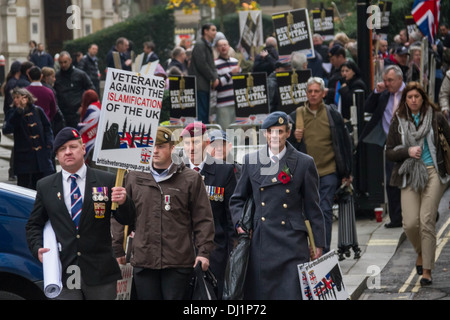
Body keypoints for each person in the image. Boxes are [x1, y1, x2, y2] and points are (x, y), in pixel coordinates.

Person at [25, 127, 135, 299]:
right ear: (56, 155)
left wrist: (123, 202)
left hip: (100, 272)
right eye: (62, 149)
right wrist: (37, 247)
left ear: (83, 149)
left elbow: (127, 219)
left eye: (73, 146)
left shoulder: (106, 180)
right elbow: (34, 224)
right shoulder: (45, 186)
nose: (68, 152)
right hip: (65, 271)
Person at [229, 111, 325, 300]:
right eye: (271, 131)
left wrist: (319, 244)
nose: (275, 136)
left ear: (288, 133)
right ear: (265, 134)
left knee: (291, 293)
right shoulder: (251, 161)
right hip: (261, 241)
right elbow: (237, 199)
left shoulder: (304, 163)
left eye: (280, 132)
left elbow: (313, 207)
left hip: (292, 242)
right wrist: (240, 225)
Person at [119, 126, 215, 300]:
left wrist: (203, 252)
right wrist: (117, 246)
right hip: (144, 259)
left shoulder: (190, 178)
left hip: (178, 261)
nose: (155, 151)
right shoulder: (134, 176)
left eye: (161, 146)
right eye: (151, 146)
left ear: (172, 148)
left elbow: (203, 219)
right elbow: (121, 216)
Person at [385, 82, 450, 286]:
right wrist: (407, 151)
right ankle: (422, 251)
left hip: (433, 173)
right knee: (411, 223)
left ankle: (427, 270)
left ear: (423, 98)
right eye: (409, 97)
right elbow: (389, 152)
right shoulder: (398, 120)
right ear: (405, 100)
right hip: (409, 174)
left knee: (427, 219)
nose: (413, 100)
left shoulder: (437, 117)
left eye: (417, 97)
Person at [288, 77, 353, 253]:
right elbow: (286, 145)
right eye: (310, 91)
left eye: (317, 91)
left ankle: (323, 252)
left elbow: (344, 143)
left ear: (323, 93)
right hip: (306, 174)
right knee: (308, 212)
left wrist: (347, 171)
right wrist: (294, 136)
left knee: (324, 209)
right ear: (306, 93)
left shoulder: (332, 114)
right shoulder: (296, 116)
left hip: (329, 171)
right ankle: (310, 249)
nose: (313, 94)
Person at [180, 122, 237, 299]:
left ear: (206, 143)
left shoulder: (224, 170)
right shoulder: (176, 171)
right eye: (187, 143)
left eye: (195, 142)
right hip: (180, 251)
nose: (191, 148)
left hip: (215, 252)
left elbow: (230, 215)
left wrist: (231, 252)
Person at [359, 65, 405, 228]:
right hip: (391, 145)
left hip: (409, 144)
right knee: (392, 182)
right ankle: (396, 218)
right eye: (385, 80)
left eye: (390, 80)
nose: (387, 84)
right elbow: (367, 108)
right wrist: (376, 92)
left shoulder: (411, 93)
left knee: (412, 181)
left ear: (400, 79)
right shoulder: (384, 94)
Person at [2, 87, 55, 189]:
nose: (16, 100)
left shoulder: (37, 110)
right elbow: (7, 129)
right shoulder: (13, 113)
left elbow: (47, 128)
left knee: (40, 186)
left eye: (18, 97)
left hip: (40, 157)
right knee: (24, 186)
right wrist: (19, 111)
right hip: (24, 158)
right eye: (14, 98)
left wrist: (49, 145)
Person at [54, 51, 95, 128]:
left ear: (70, 60)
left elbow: (91, 90)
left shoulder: (80, 75)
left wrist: (83, 106)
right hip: (62, 114)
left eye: (65, 62)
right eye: (61, 63)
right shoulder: (56, 76)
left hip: (77, 114)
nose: (63, 65)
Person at [189, 23, 219, 124]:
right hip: (200, 85)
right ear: (206, 31)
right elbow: (202, 64)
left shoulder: (205, 44)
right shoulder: (200, 45)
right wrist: (213, 78)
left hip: (203, 84)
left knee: (205, 113)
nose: (215, 32)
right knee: (202, 113)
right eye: (213, 30)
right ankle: (201, 137)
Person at [214, 39, 241, 130]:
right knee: (225, 131)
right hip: (223, 103)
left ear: (229, 47)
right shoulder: (215, 64)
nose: (223, 47)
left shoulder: (235, 62)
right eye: (220, 45)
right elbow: (216, 85)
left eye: (225, 45)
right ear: (217, 49)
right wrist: (230, 74)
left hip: (236, 102)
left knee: (237, 132)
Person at [77, 89, 101, 165]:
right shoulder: (98, 105)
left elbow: (86, 126)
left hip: (93, 143)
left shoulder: (92, 109)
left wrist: (78, 126)